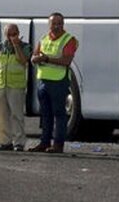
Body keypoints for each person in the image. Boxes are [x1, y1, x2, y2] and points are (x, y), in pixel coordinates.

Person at [29, 12, 78, 153]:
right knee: (45, 114)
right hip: (43, 81)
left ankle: (58, 145)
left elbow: (67, 61)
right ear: (49, 24)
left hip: (58, 81)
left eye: (59, 24)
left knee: (59, 114)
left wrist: (46, 59)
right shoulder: (44, 38)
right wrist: (34, 59)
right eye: (54, 24)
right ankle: (44, 143)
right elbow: (35, 55)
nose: (56, 26)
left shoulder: (69, 40)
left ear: (63, 24)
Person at [0, 24, 29, 151]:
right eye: (9, 34)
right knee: (2, 115)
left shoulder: (25, 46)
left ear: (18, 33)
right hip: (1, 84)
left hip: (16, 85)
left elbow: (23, 61)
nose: (11, 37)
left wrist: (16, 45)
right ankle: (5, 142)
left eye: (14, 34)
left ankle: (19, 142)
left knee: (17, 115)